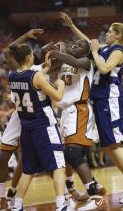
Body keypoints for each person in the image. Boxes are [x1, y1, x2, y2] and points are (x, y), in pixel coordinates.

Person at [60, 12, 123, 204]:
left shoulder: (118, 51)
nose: (106, 33)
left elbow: (104, 68)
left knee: (113, 143)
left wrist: (96, 52)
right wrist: (72, 26)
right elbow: (89, 42)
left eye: (110, 32)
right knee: (106, 147)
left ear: (118, 36)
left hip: (110, 99)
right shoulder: (105, 49)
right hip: (100, 100)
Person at [7, 41, 77, 211]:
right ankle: (61, 204)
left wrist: (46, 67)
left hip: (27, 128)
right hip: (44, 126)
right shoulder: (36, 77)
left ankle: (17, 205)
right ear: (30, 57)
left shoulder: (12, 76)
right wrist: (60, 83)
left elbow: (32, 79)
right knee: (59, 165)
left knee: (28, 169)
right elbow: (58, 96)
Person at [47, 39, 107, 211]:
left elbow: (74, 61)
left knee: (73, 153)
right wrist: (52, 54)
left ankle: (95, 197)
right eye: (74, 44)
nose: (75, 45)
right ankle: (75, 191)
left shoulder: (85, 62)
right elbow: (47, 67)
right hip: (65, 111)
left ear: (86, 52)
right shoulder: (63, 62)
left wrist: (58, 51)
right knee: (64, 156)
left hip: (79, 109)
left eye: (80, 45)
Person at [0, 29, 45, 211]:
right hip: (18, 116)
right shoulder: (15, 71)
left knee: (31, 159)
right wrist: (26, 35)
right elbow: (8, 51)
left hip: (36, 117)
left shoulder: (39, 70)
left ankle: (66, 192)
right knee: (3, 158)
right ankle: (1, 197)